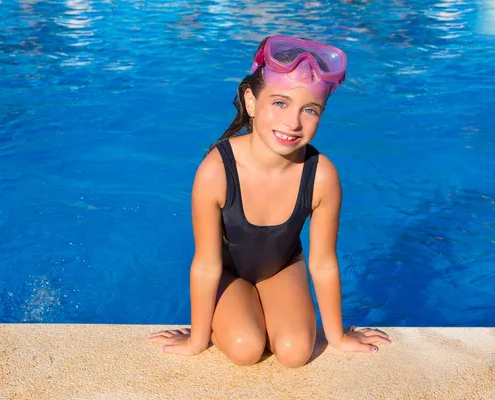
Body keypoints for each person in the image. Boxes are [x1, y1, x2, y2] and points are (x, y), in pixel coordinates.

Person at [147, 34, 391, 367]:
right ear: (250, 102)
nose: (293, 122)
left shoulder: (320, 176)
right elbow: (205, 264)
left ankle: (266, 312)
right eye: (280, 103)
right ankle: (231, 317)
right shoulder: (217, 171)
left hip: (281, 269)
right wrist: (196, 339)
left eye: (309, 109)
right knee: (246, 348)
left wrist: (338, 336)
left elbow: (323, 263)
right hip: (229, 274)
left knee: (295, 352)